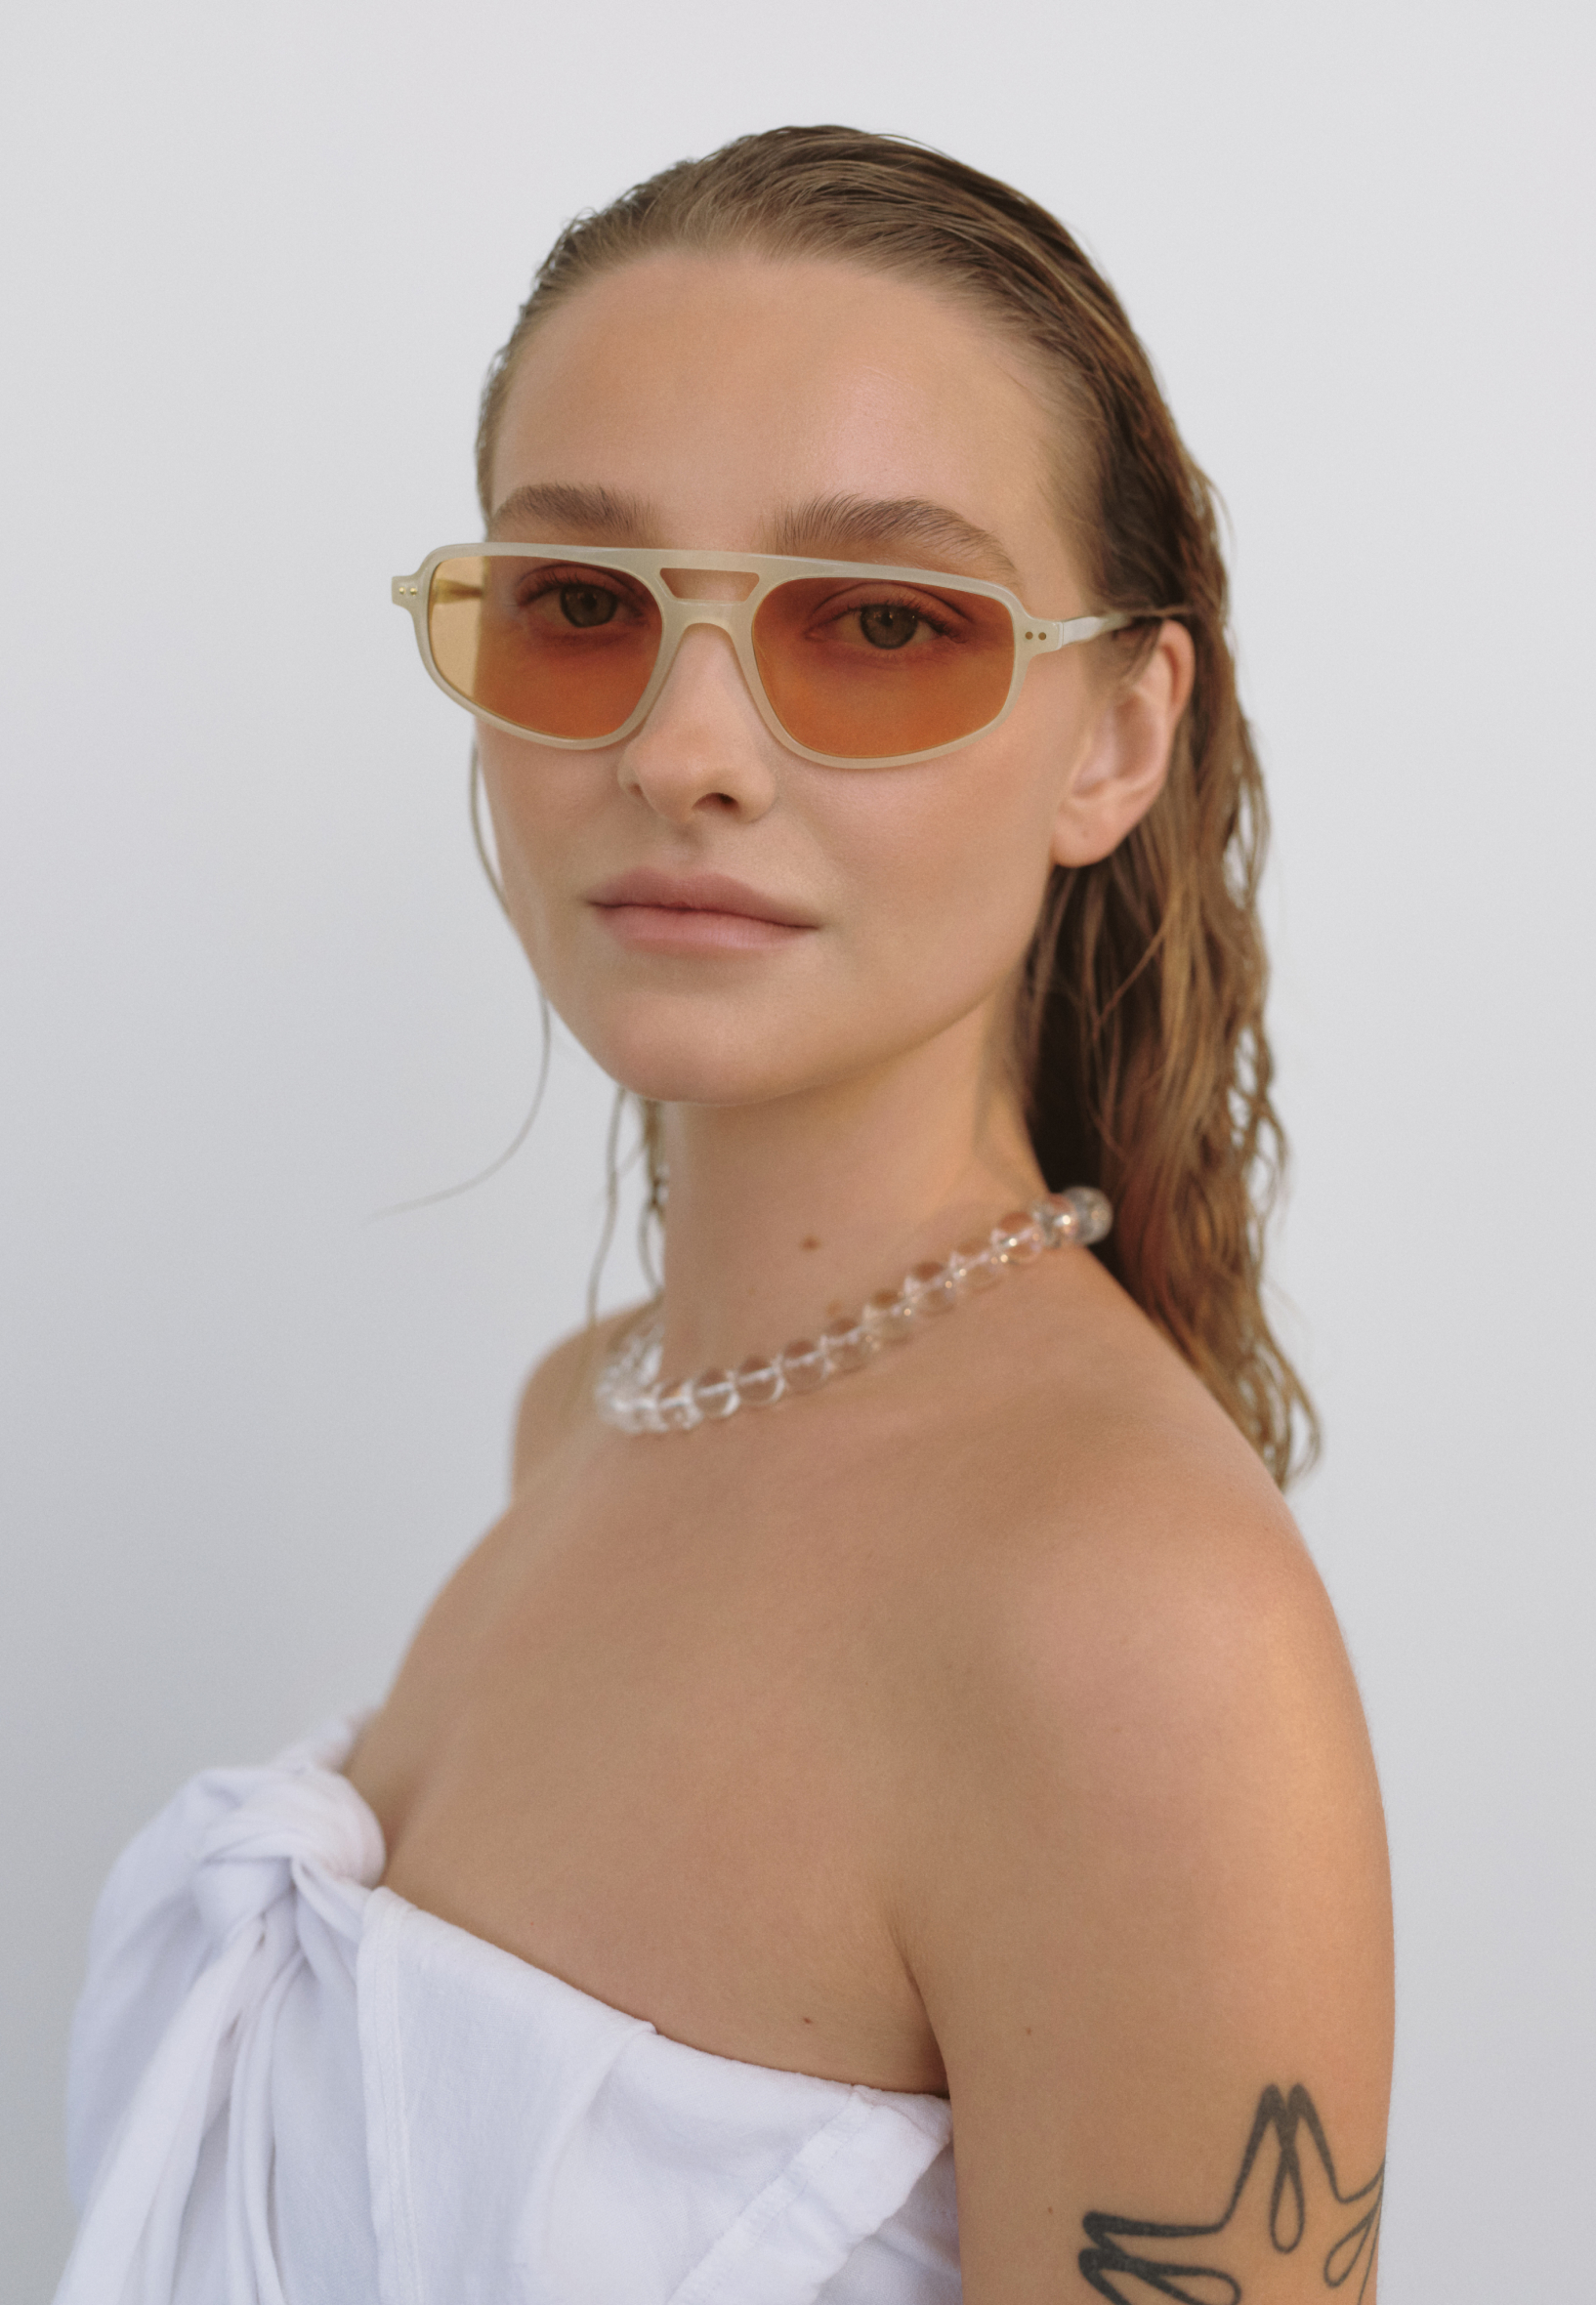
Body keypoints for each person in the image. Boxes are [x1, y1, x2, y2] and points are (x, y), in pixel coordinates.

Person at [55, 127, 1393, 2303]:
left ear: (1118, 736)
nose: (685, 750)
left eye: (881, 625)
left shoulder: (1133, 1636)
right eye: (585, 606)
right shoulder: (586, 1410)